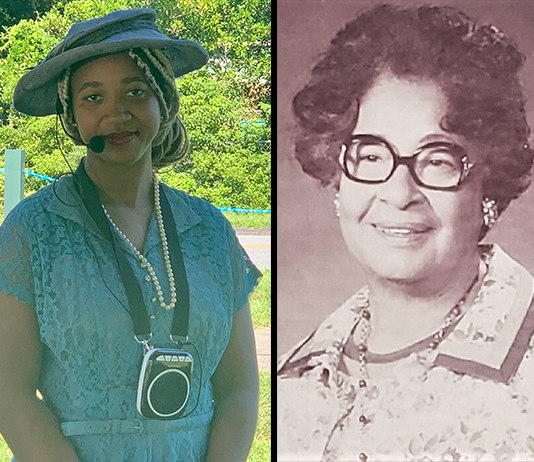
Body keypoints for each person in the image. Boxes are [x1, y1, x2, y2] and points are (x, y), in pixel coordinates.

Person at [0, 8, 261, 462]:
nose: (116, 114)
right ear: (71, 117)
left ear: (163, 102)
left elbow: (239, 388)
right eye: (92, 98)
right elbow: (11, 393)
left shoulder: (211, 231)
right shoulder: (33, 230)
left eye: (135, 92)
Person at [278, 4, 534, 461]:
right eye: (371, 154)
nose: (399, 194)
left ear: (487, 185)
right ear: (337, 174)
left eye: (437, 159)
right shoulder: (294, 377)